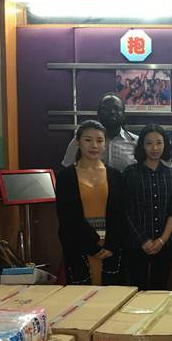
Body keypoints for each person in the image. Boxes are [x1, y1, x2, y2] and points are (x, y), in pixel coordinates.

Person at [56, 120, 125, 285]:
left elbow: (121, 215)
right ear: (78, 142)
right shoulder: (65, 176)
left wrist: (110, 246)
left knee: (111, 294)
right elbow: (67, 217)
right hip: (79, 243)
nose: (94, 145)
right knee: (82, 296)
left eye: (99, 140)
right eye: (88, 140)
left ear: (105, 144)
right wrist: (92, 247)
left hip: (110, 246)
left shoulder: (116, 176)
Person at [123, 124, 172, 290]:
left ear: (165, 145)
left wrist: (162, 240)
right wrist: (143, 240)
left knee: (160, 288)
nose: (154, 148)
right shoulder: (130, 173)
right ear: (142, 145)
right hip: (136, 243)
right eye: (149, 143)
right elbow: (126, 210)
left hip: (165, 244)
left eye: (159, 143)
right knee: (137, 288)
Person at [62, 93, 137, 171]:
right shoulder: (82, 139)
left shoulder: (135, 141)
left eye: (116, 108)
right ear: (98, 113)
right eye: (106, 108)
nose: (112, 112)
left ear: (123, 113)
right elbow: (67, 168)